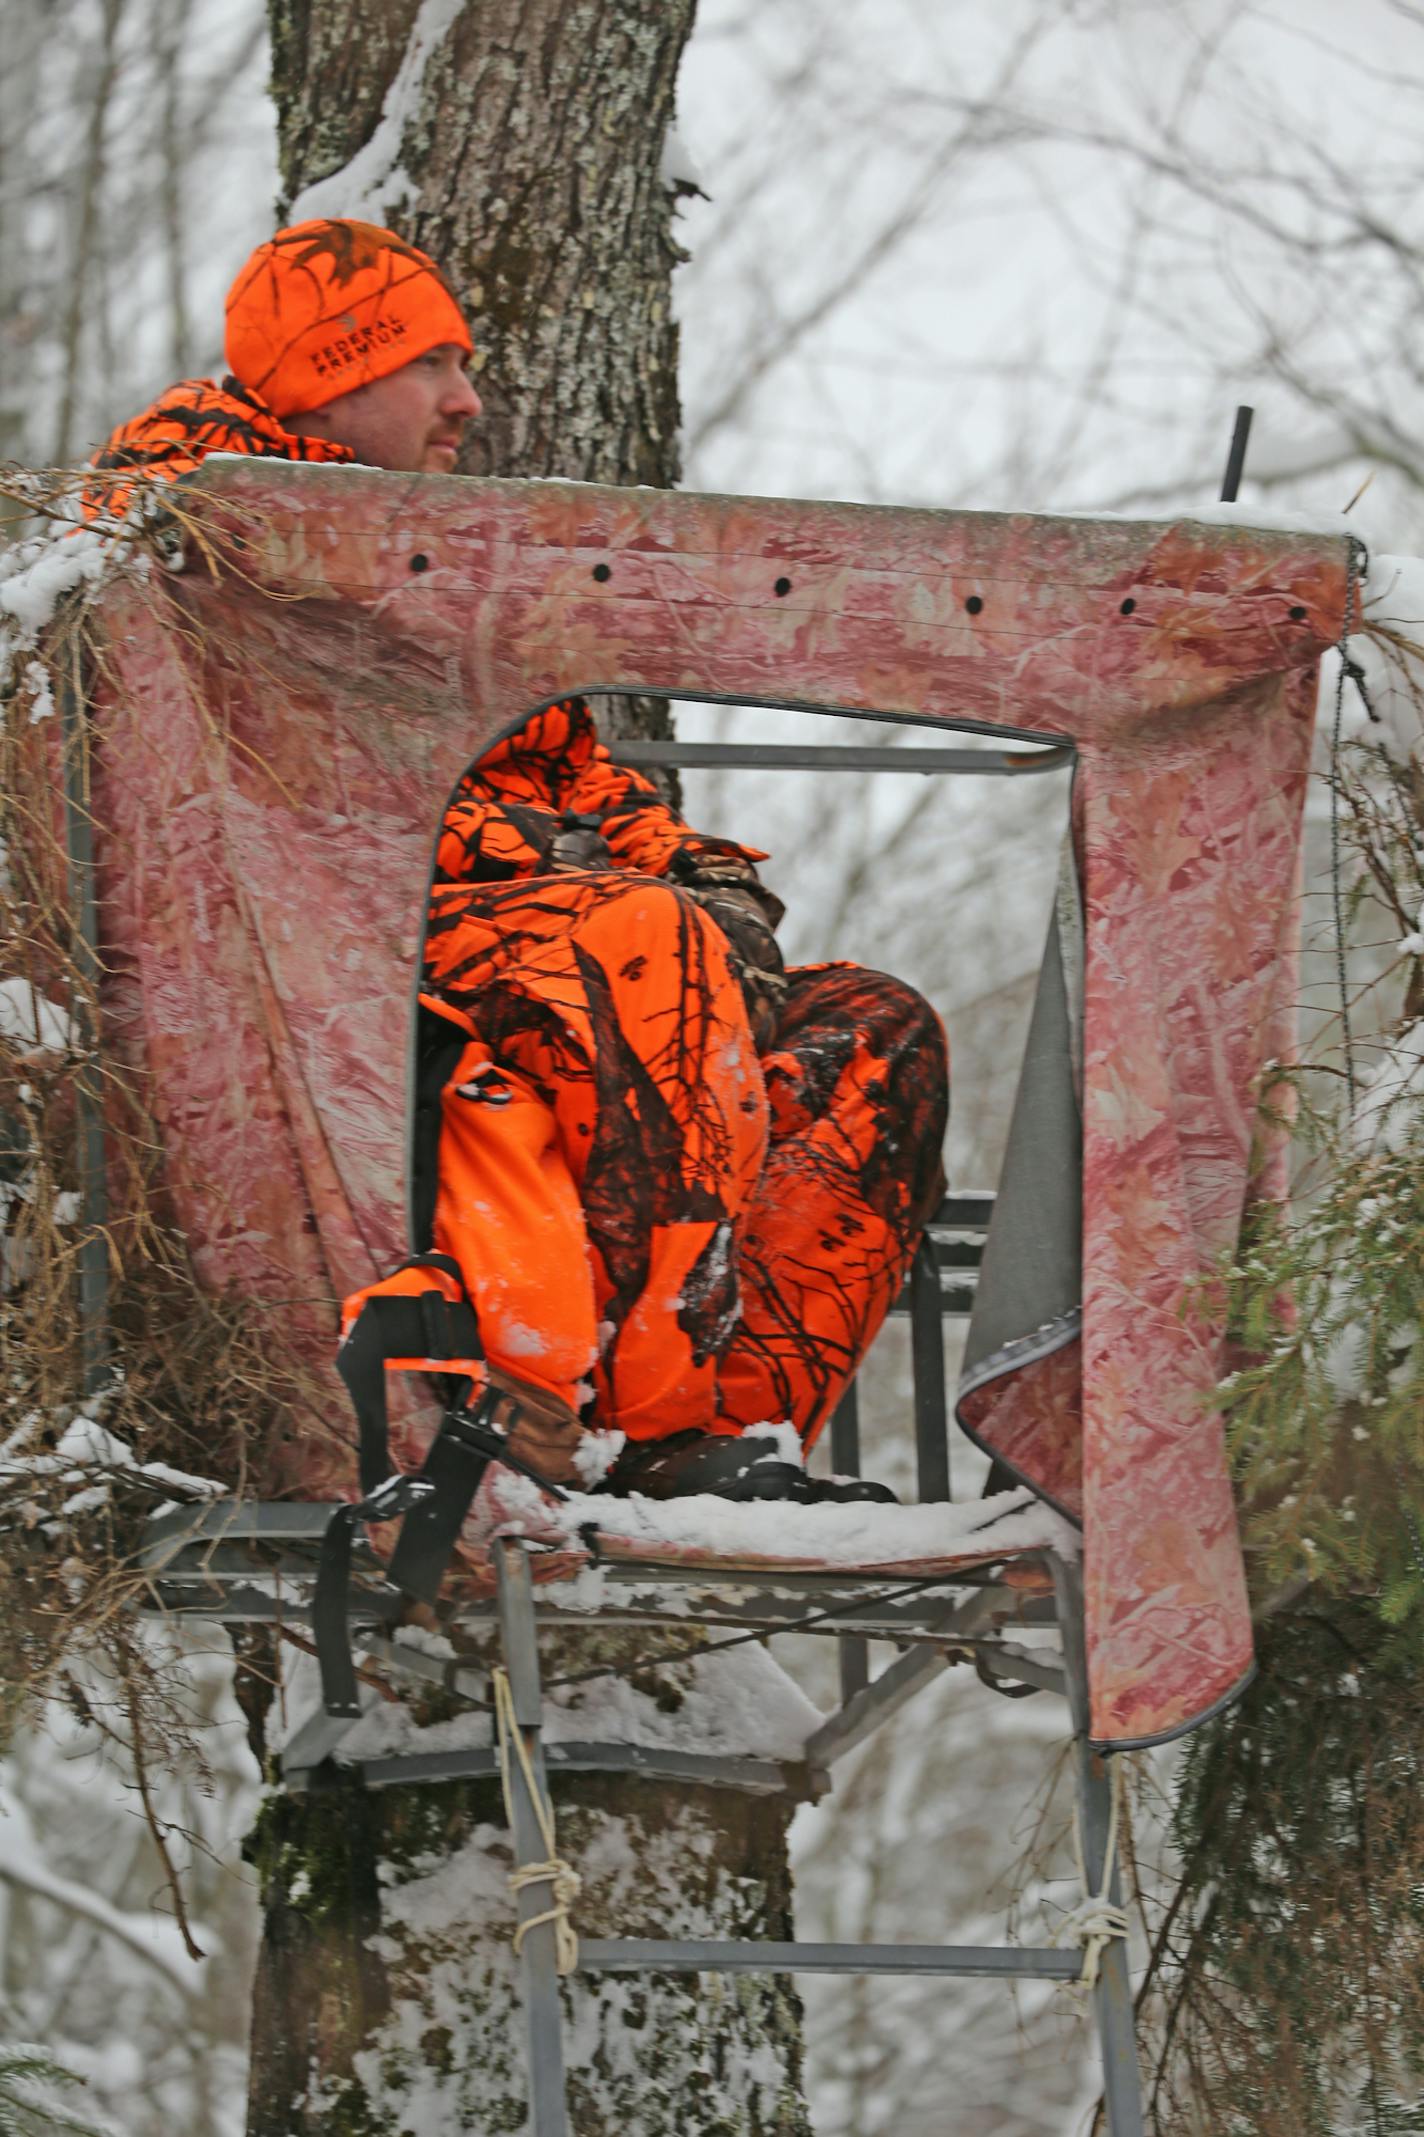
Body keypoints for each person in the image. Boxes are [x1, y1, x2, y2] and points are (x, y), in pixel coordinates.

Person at [96, 218, 950, 1506]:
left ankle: (733, 1436)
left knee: (871, 1030)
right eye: (432, 364)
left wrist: (717, 892)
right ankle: (632, 1433)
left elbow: (588, 787)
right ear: (336, 371)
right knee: (643, 947)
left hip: (557, 955)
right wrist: (626, 899)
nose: (468, 401)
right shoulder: (201, 548)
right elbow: (300, 816)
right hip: (350, 980)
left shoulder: (443, 567)